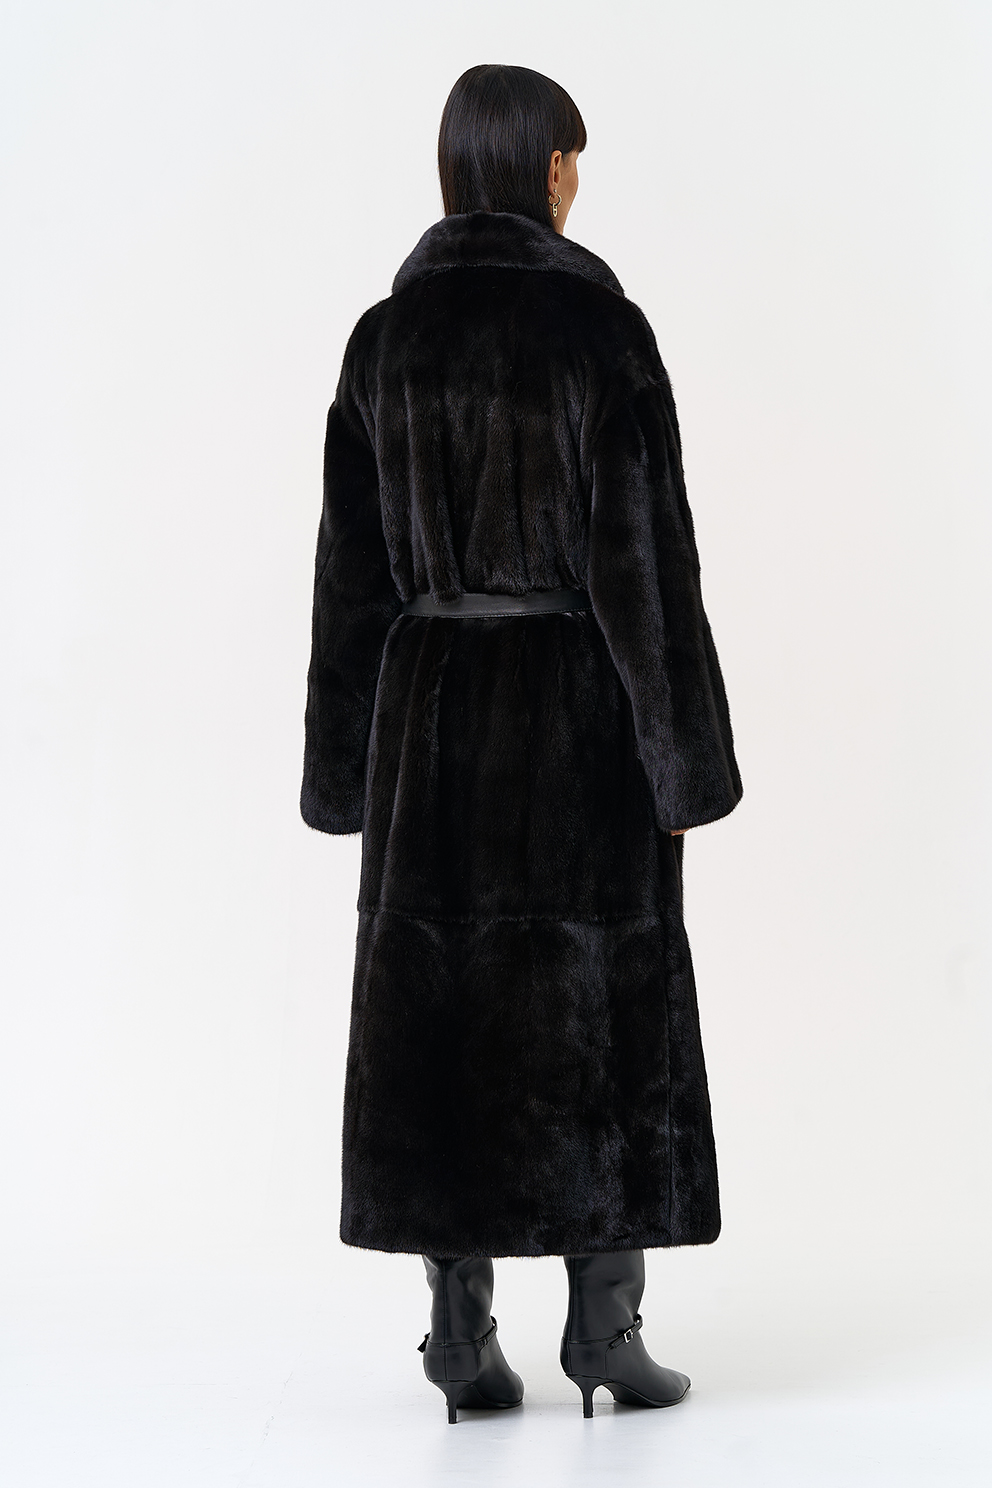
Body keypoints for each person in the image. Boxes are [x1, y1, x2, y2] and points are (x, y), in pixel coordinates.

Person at [300, 63, 743, 1423]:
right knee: (601, 1012)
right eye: (572, 160)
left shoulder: (383, 343)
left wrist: (343, 772)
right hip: (573, 707)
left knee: (444, 1020)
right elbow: (645, 568)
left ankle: (458, 1339)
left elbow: (349, 579)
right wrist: (681, 759)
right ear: (543, 167)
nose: (576, 182)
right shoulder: (598, 332)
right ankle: (605, 1332)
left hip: (427, 713)